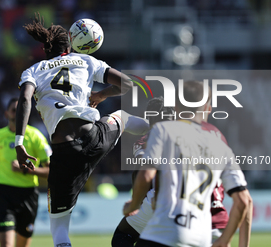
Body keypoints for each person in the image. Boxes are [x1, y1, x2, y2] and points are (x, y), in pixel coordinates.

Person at [14, 13, 150, 247]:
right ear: (69, 46)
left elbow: (25, 100)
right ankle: (162, 133)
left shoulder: (33, 70)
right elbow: (127, 84)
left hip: (64, 151)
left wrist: (19, 143)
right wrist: (101, 95)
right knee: (123, 117)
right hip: (94, 136)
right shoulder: (86, 61)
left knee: (59, 228)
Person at [123, 80, 252, 247]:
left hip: (168, 226)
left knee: (122, 236)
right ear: (208, 108)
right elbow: (244, 201)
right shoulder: (220, 143)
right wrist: (225, 240)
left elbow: (146, 173)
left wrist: (133, 204)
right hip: (204, 232)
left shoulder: (164, 131)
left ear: (175, 107)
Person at [0, 98, 51, 247]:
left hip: (28, 195)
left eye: (21, 110)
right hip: (4, 194)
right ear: (7, 114)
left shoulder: (36, 136)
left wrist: (26, 170)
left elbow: (51, 171)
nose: (17, 113)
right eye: (14, 110)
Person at [112, 97, 174, 247]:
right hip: (193, 200)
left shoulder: (146, 140)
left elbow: (143, 170)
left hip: (159, 198)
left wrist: (136, 202)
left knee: (122, 236)